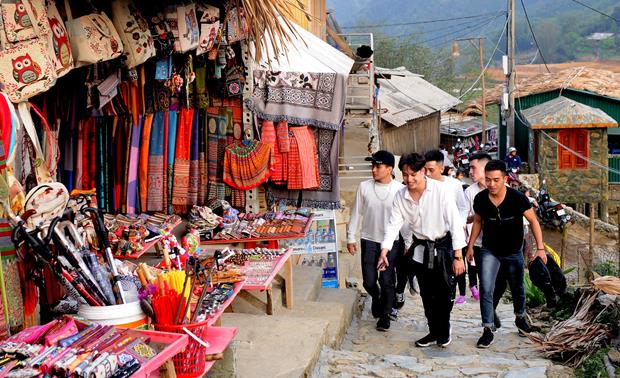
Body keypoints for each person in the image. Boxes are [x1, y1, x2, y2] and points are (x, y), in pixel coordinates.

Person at [378, 153, 466, 347]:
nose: (409, 179)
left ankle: (444, 328)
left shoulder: (441, 191)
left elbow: (454, 223)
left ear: (423, 172)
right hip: (421, 247)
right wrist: (385, 249)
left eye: (413, 174)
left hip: (443, 245)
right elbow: (394, 225)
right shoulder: (400, 196)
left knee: (444, 291)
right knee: (427, 292)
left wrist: (458, 256)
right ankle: (433, 331)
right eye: (405, 175)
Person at [466, 160, 545, 348]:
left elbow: (533, 221)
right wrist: (469, 246)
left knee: (517, 287)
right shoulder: (480, 199)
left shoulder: (517, 198)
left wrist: (540, 248)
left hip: (513, 251)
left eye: (496, 180)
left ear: (505, 179)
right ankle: (487, 329)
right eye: (488, 180)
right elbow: (477, 222)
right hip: (489, 250)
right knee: (486, 288)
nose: (491, 184)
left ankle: (520, 319)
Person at [347, 150, 404, 332]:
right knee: (369, 281)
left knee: (387, 280)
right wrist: (350, 237)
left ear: (389, 169)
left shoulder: (399, 190)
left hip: (391, 242)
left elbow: (406, 219)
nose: (373, 170)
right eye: (372, 166)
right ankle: (378, 298)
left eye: (378, 166)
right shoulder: (364, 187)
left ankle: (385, 316)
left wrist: (408, 243)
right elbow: (356, 212)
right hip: (369, 239)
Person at [424, 149, 469, 304]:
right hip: (429, 237)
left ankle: (450, 296)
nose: (427, 174)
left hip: (451, 236)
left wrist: (460, 223)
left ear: (441, 168)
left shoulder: (454, 185)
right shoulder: (422, 185)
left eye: (431, 170)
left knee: (450, 270)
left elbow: (463, 208)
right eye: (425, 170)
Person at [463, 153, 493, 306]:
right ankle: (488, 319)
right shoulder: (469, 192)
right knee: (484, 279)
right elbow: (464, 217)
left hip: (499, 244)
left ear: (485, 168)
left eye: (473, 168)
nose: (470, 171)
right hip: (478, 243)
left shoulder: (502, 188)